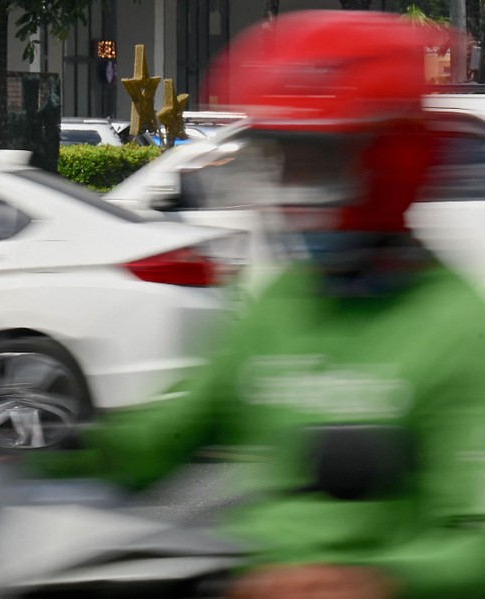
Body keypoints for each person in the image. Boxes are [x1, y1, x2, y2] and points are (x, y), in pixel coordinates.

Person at [27, 11, 485, 598]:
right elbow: (177, 427)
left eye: (314, 164)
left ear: (388, 162)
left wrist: (376, 580)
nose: (291, 189)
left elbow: (473, 540)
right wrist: (45, 461)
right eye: (279, 161)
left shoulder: (456, 329)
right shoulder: (285, 303)